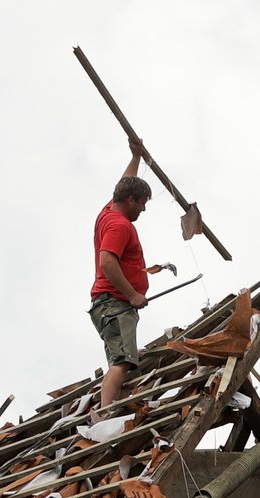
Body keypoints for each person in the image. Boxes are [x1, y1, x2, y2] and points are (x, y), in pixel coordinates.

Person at [88, 139, 153, 409]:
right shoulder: (120, 226)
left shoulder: (109, 210)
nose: (144, 209)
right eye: (142, 203)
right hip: (115, 304)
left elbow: (126, 181)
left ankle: (108, 409)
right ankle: (104, 416)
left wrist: (136, 156)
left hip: (109, 304)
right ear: (131, 200)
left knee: (123, 359)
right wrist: (132, 294)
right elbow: (107, 262)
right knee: (122, 362)